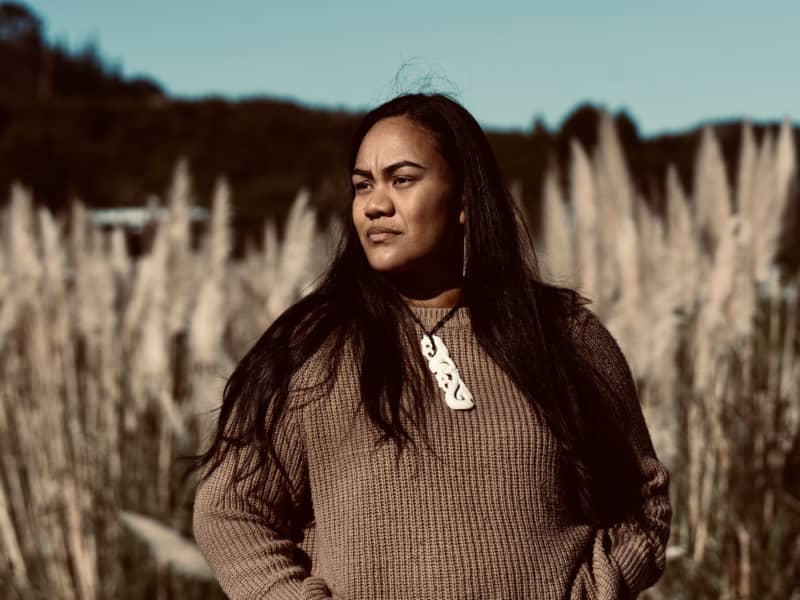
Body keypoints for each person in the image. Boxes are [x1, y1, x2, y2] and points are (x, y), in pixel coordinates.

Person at [191, 92, 672, 599]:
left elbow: (643, 499)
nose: (375, 204)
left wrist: (597, 589)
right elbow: (229, 510)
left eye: (402, 179)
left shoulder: (562, 334)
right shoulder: (316, 347)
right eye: (362, 185)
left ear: (464, 199)